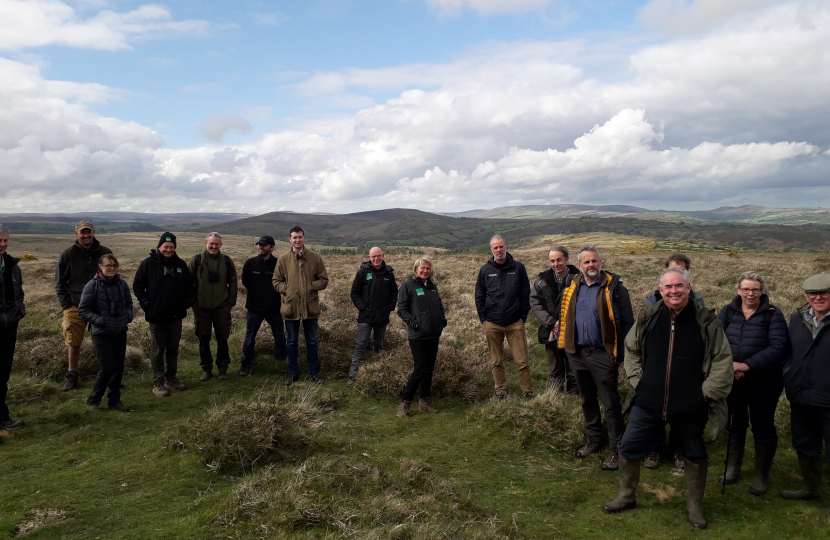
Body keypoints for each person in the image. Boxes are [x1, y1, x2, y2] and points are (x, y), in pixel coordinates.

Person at [602, 267, 732, 529]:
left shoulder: (706, 322)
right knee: (628, 448)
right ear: (660, 290)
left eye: (679, 286)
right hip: (648, 402)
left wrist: (704, 395)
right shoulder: (648, 318)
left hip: (691, 405)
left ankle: (694, 508)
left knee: (694, 454)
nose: (674, 291)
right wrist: (640, 383)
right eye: (668, 287)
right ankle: (626, 497)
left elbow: (722, 360)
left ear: (688, 287)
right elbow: (631, 350)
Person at [553, 244, 634, 470]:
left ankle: (616, 450)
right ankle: (593, 440)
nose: (591, 265)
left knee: (611, 404)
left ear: (601, 262)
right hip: (577, 354)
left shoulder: (616, 289)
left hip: (603, 355)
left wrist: (618, 355)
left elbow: (627, 324)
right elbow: (564, 314)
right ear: (578, 265)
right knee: (587, 400)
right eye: (586, 262)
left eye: (594, 261)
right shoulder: (572, 286)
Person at [718, 272, 788, 495]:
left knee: (762, 425)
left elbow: (778, 347)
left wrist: (745, 366)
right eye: (746, 289)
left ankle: (761, 476)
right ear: (738, 290)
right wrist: (732, 367)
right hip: (733, 381)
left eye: (755, 289)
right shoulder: (727, 312)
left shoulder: (772, 315)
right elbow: (717, 341)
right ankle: (732, 468)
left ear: (762, 291)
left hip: (764, 383)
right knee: (733, 423)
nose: (750, 293)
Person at [643, 253, 707, 470]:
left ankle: (679, 449)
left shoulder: (699, 304)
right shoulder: (651, 301)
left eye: (681, 271)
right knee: (655, 412)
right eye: (671, 269)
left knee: (682, 413)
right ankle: (655, 448)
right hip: (658, 367)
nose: (675, 278)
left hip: (685, 369)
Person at [781, 274, 830, 506]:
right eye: (812, 294)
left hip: (827, 397)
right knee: (804, 444)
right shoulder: (797, 318)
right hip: (801, 394)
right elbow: (789, 351)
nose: (818, 297)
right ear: (806, 296)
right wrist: (789, 373)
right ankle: (811, 488)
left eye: (824, 293)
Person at [132, 232, 194, 397]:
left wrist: (185, 304)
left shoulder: (181, 265)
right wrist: (146, 305)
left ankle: (171, 378)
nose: (168, 249)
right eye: (165, 246)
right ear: (159, 246)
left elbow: (190, 287)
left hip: (176, 316)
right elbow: (137, 285)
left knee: (173, 349)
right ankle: (158, 383)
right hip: (156, 316)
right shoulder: (148, 264)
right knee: (158, 350)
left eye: (171, 247)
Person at [55, 220, 112, 391]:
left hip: (100, 307)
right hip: (75, 306)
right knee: (73, 343)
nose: (86, 235)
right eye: (82, 232)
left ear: (94, 233)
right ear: (76, 234)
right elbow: (59, 282)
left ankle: (105, 376)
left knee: (102, 342)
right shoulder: (68, 254)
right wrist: (66, 305)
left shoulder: (104, 253)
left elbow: (111, 277)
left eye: (89, 232)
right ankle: (72, 376)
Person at [474, 235, 533, 399]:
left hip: (515, 323)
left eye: (501, 247)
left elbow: (525, 294)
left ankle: (527, 392)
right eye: (495, 248)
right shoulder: (485, 270)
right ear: (491, 250)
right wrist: (484, 320)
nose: (499, 250)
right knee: (496, 361)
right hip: (492, 323)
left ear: (506, 246)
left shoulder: (518, 268)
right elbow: (479, 296)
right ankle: (500, 391)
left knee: (522, 361)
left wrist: (522, 317)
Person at [273, 226, 329, 386]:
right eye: (294, 237)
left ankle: (314, 372)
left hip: (310, 307)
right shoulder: (283, 259)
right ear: (290, 239)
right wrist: (288, 290)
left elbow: (324, 280)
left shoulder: (315, 258)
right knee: (291, 342)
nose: (297, 240)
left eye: (300, 237)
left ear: (304, 238)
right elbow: (276, 281)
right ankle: (292, 372)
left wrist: (310, 286)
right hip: (291, 308)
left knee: (312, 342)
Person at [78, 254, 134, 412]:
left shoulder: (122, 284)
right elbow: (83, 310)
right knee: (107, 368)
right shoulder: (92, 285)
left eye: (114, 266)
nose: (112, 268)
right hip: (102, 333)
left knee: (119, 367)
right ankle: (93, 401)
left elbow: (129, 305)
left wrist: (127, 317)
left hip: (120, 331)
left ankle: (114, 401)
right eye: (108, 265)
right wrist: (100, 320)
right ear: (100, 267)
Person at [396, 257, 447, 417]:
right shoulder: (407, 286)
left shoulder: (433, 287)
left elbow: (439, 305)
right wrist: (414, 323)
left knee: (429, 369)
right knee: (419, 370)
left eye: (428, 269)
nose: (425, 271)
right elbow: (401, 309)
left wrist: (442, 320)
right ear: (416, 269)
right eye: (423, 268)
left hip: (433, 334)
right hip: (417, 335)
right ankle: (405, 404)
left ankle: (424, 402)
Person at [188, 232, 238, 382]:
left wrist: (231, 303)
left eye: (217, 244)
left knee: (222, 338)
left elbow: (233, 282)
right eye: (211, 243)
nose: (214, 246)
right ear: (206, 244)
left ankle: (223, 368)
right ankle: (207, 369)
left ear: (221, 245)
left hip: (222, 307)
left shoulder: (227, 261)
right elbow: (187, 282)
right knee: (203, 339)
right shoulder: (196, 260)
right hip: (201, 307)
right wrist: (193, 303)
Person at [529, 245, 579, 393]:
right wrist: (551, 322)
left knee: (573, 365)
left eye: (559, 260)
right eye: (552, 261)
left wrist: (569, 324)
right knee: (555, 366)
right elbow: (535, 303)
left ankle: (573, 397)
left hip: (573, 332)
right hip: (551, 331)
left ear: (566, 259)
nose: (556, 264)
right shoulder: (541, 281)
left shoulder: (579, 279)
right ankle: (555, 396)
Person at [348, 246, 398, 385]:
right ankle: (353, 376)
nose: (376, 258)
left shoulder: (389, 273)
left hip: (382, 316)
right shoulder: (362, 272)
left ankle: (378, 374)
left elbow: (394, 292)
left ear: (383, 256)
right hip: (366, 316)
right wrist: (363, 308)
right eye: (373, 256)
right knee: (361, 344)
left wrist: (389, 308)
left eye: (378, 256)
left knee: (379, 345)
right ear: (369, 258)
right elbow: (354, 293)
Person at [239, 235, 286, 376]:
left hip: (274, 308)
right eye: (259, 245)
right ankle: (246, 363)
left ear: (272, 247)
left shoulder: (278, 264)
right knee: (250, 336)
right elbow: (245, 281)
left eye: (264, 245)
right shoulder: (250, 263)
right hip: (254, 308)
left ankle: (281, 360)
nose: (260, 247)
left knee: (279, 335)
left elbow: (283, 283)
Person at [0, 225, 26, 430]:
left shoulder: (12, 266)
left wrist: (19, 312)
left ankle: (2, 418)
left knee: (3, 375)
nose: (3, 244)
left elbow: (19, 293)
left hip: (8, 327)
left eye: (5, 240)